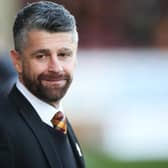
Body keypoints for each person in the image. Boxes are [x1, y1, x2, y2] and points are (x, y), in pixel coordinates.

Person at [0, 1, 85, 168]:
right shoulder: (4, 131)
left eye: (63, 54)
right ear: (17, 61)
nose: (56, 68)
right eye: (41, 56)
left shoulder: (57, 119)